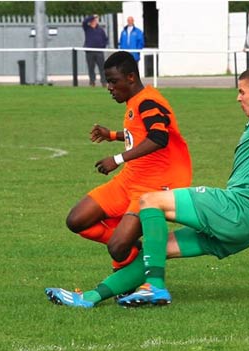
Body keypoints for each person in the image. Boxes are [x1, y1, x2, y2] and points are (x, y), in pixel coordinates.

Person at [45, 20, 249, 308]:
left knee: (150, 201)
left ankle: (154, 286)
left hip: (238, 206)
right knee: (158, 249)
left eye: (242, 92)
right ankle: (90, 298)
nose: (238, 97)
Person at [55, 51, 192, 290]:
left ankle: (131, 262)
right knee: (77, 220)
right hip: (130, 180)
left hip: (153, 188)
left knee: (116, 248)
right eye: (107, 81)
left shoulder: (149, 101)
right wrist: (112, 135)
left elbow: (159, 137)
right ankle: (136, 250)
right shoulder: (135, 101)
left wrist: (117, 159)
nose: (109, 87)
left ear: (130, 77)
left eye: (113, 81)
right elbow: (139, 133)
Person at [82, 14, 108, 87]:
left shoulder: (100, 30)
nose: (94, 22)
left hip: (99, 52)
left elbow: (105, 39)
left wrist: (102, 46)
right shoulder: (87, 28)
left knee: (102, 68)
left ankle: (104, 82)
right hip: (89, 51)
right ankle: (92, 81)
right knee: (91, 68)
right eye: (93, 20)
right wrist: (93, 16)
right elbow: (84, 22)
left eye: (95, 20)